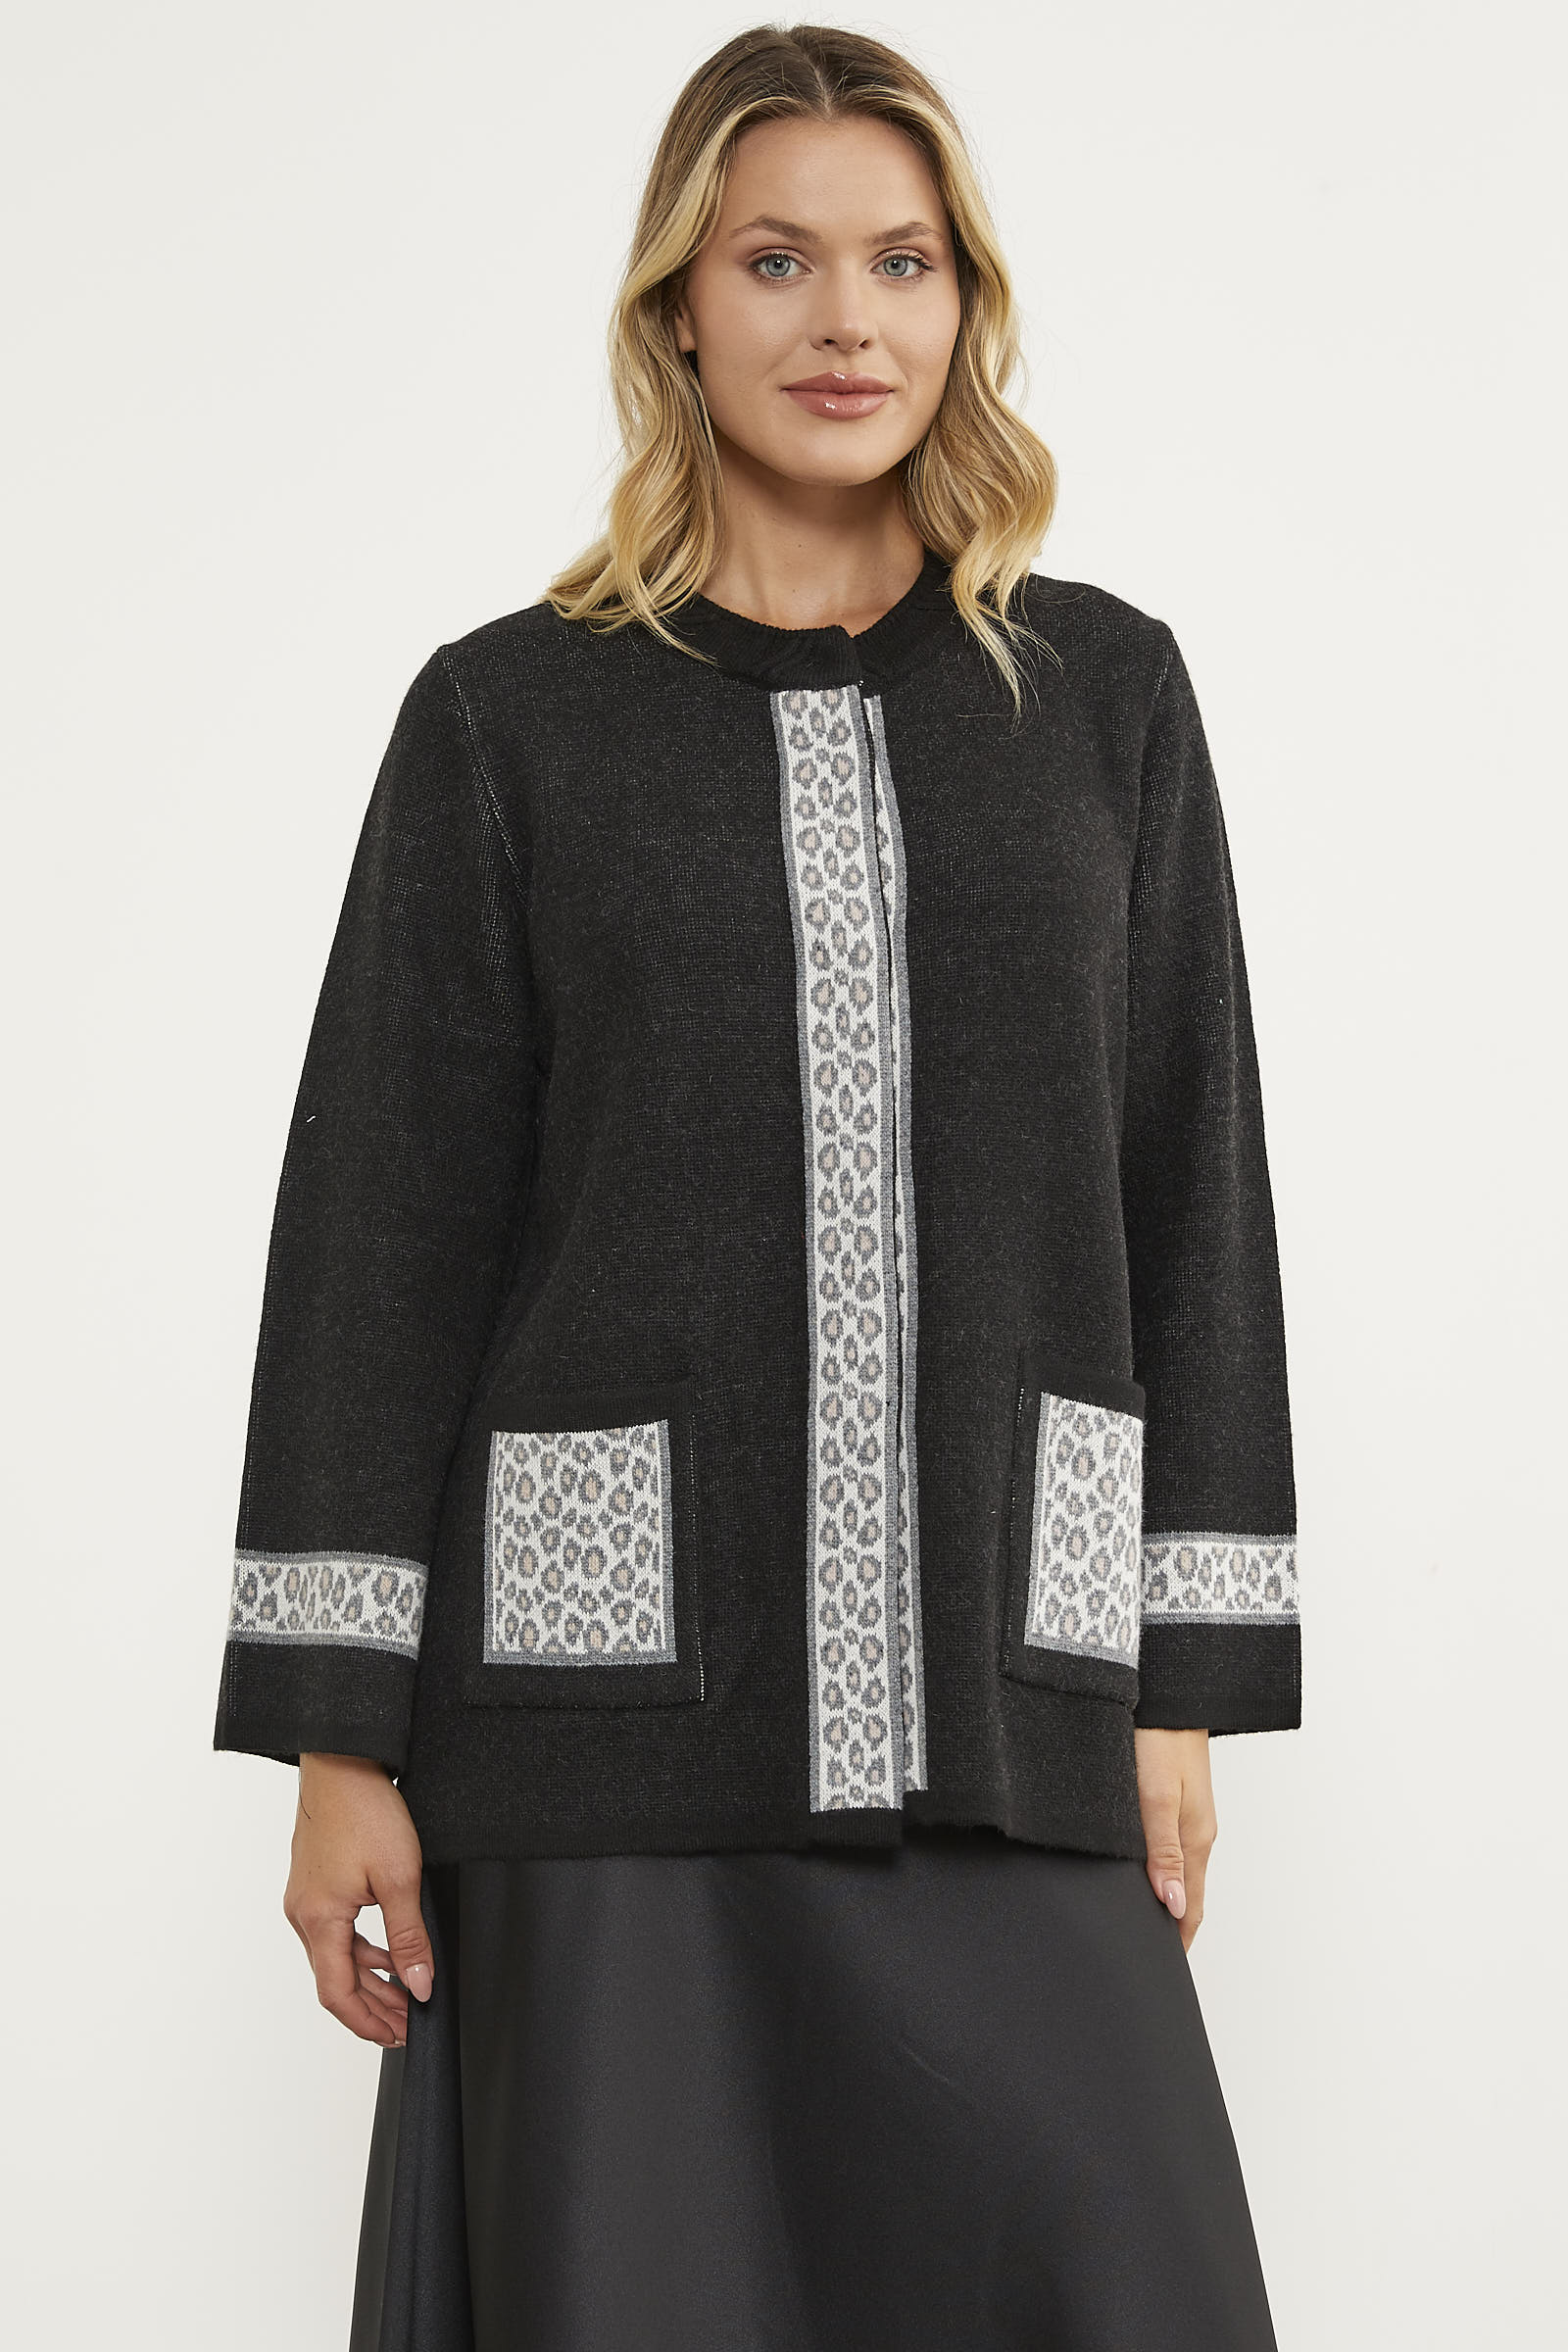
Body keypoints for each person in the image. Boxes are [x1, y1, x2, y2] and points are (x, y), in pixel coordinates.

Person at [214, 24, 1300, 2350]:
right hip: (603, 1726)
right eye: (776, 260)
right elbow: (384, 1233)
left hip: (1011, 1688)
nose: (846, 322)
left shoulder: (1099, 697)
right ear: (676, 310)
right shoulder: (508, 718)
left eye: (902, 262)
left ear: (962, 300)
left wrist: (1179, 1686)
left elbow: (1188, 1178)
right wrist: (336, 1740)